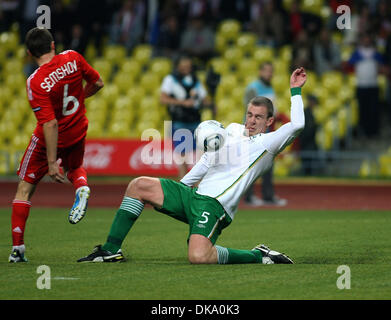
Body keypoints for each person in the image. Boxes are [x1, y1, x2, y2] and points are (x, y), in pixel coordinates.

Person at [77, 67, 307, 265]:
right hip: (193, 196)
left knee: (198, 257)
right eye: (249, 114)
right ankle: (110, 250)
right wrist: (182, 189)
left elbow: (297, 124)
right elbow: (208, 159)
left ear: (269, 122)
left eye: (258, 117)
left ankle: (258, 255)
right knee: (138, 186)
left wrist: (295, 90)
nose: (252, 120)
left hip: (216, 206)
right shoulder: (234, 130)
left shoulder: (268, 143)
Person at [8, 28, 104, 263]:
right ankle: (81, 187)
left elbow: (50, 123)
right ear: (53, 45)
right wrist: (80, 98)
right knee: (75, 167)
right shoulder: (73, 57)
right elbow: (98, 83)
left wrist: (51, 163)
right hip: (78, 127)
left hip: (50, 139)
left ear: (29, 53)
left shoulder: (36, 81)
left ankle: (18, 250)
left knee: (25, 188)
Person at [243, 61, 288, 206]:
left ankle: (268, 195)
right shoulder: (253, 88)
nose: (269, 74)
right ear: (260, 72)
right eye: (267, 71)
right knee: (252, 165)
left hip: (267, 131)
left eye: (271, 71)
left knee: (268, 164)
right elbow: (249, 112)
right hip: (254, 132)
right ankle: (249, 197)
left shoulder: (270, 88)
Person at [160, 55, 208, 179]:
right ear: (178, 67)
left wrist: (208, 96)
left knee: (200, 157)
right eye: (183, 66)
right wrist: (183, 103)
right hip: (179, 121)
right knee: (182, 158)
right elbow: (163, 99)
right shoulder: (170, 79)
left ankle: (197, 189)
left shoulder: (195, 80)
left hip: (195, 121)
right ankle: (184, 187)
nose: (186, 69)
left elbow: (205, 99)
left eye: (188, 66)